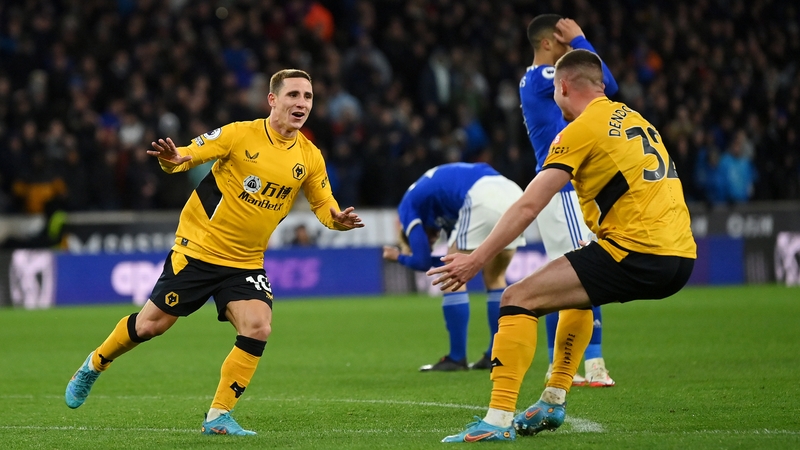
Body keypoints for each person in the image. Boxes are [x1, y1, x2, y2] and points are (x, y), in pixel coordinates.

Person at [64, 69, 364, 436]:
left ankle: (218, 415)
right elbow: (189, 154)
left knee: (259, 326)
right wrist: (172, 158)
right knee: (150, 325)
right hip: (199, 249)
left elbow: (324, 205)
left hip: (246, 261)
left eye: (308, 97)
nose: (302, 103)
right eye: (294, 95)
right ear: (273, 100)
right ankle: (94, 364)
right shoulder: (241, 133)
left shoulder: (310, 156)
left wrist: (337, 221)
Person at [430, 49, 696, 442]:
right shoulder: (637, 120)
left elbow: (529, 205)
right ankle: (553, 399)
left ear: (563, 87)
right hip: (680, 255)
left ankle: (497, 421)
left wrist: (477, 259)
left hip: (637, 251)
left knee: (516, 298)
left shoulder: (579, 130)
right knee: (577, 292)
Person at [520, 14, 619, 388]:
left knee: (560, 280)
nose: (571, 56)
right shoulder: (545, 78)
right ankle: (593, 363)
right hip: (563, 190)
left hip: (559, 190)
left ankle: (558, 365)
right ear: (548, 44)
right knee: (586, 273)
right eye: (563, 46)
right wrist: (581, 39)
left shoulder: (534, 81)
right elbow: (604, 83)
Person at [383, 162, 525, 372]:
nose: (429, 241)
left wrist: (399, 257)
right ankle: (495, 355)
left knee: (452, 278)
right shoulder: (444, 209)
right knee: (495, 277)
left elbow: (423, 261)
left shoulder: (407, 206)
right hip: (514, 194)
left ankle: (456, 358)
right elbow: (459, 259)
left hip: (481, 196)